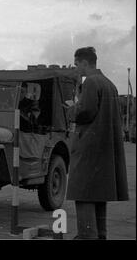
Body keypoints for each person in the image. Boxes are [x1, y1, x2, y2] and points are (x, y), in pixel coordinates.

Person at [66, 46, 129, 239]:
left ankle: (87, 236)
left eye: (77, 64)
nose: (76, 68)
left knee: (83, 194)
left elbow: (86, 112)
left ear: (85, 63)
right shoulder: (110, 84)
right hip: (104, 153)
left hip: (89, 151)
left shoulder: (91, 82)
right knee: (99, 197)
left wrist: (71, 108)